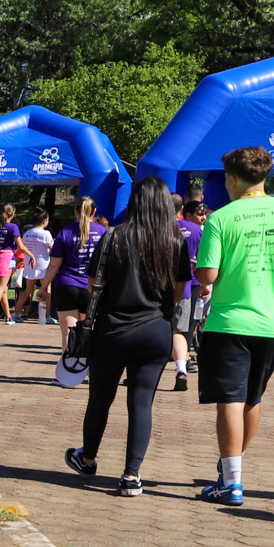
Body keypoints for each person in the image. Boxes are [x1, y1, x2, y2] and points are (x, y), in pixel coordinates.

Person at [192, 145, 274, 507]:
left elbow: (207, 275)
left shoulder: (220, 218)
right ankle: (231, 468)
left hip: (229, 323)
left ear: (231, 178)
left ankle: (232, 481)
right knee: (252, 397)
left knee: (230, 399)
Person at [63, 177, 191, 498]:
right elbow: (178, 294)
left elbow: (94, 283)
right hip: (155, 330)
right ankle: (131, 475)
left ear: (135, 202)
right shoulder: (174, 241)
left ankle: (87, 459)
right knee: (141, 401)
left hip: (112, 328)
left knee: (100, 398)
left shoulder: (114, 236)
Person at [44, 198, 107, 351]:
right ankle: (86, 364)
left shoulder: (65, 232)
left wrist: (44, 286)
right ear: (94, 211)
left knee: (68, 333)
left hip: (66, 285)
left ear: (75, 212)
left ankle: (67, 365)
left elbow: (54, 265)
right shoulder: (103, 232)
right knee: (88, 331)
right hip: (92, 287)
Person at [170, 197, 208, 391]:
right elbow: (203, 257)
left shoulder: (164, 228)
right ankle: (183, 362)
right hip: (189, 284)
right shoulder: (196, 230)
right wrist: (204, 283)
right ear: (183, 210)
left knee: (166, 327)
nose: (203, 218)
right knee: (184, 326)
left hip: (163, 285)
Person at [15, 208, 54, 325]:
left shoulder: (27, 233)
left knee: (28, 290)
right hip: (43, 265)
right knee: (47, 289)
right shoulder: (46, 234)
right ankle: (47, 315)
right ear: (45, 220)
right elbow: (53, 248)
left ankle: (16, 313)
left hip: (30, 264)